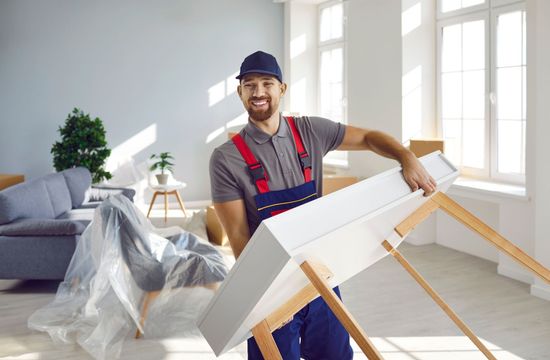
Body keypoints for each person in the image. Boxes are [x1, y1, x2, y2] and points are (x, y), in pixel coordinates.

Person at [209, 50, 436, 360]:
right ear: (240, 92)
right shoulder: (226, 158)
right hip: (272, 284)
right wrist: (264, 299)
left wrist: (406, 156)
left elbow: (368, 137)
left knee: (334, 354)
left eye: (267, 83)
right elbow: (238, 236)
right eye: (249, 85)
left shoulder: (311, 131)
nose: (258, 92)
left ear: (282, 89)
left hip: (321, 276)